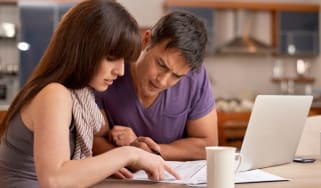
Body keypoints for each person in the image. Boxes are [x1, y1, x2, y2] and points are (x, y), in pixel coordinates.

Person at [0, 0, 179, 187]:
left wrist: (101, 167)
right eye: (112, 58)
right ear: (84, 50)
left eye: (123, 60)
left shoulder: (74, 94)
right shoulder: (55, 94)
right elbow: (54, 179)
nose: (120, 71)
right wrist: (128, 154)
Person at [94, 10, 218, 161]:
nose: (163, 81)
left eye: (177, 76)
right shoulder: (111, 68)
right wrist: (131, 157)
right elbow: (92, 140)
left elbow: (207, 146)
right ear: (147, 40)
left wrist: (151, 152)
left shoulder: (195, 77)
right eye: (161, 65)